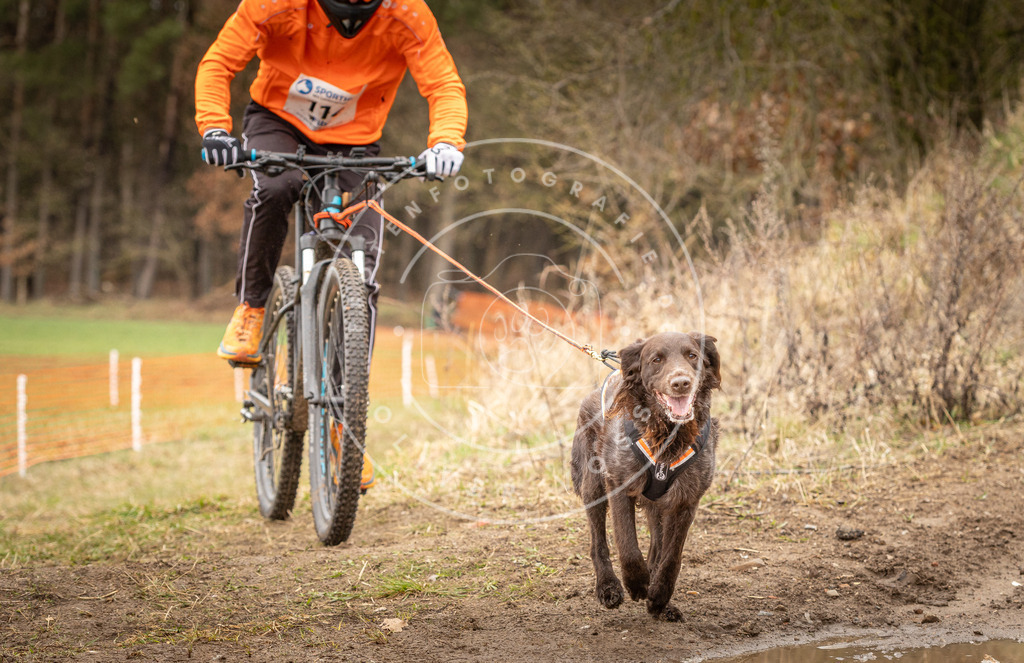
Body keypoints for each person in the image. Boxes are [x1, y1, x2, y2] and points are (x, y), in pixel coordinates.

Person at [195, 0, 467, 490]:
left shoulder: (406, 13)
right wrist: (215, 127)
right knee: (277, 188)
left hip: (356, 146)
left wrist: (446, 142)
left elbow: (442, 83)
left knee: (359, 267)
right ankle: (252, 308)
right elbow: (219, 61)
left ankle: (347, 426)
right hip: (278, 125)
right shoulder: (275, 6)